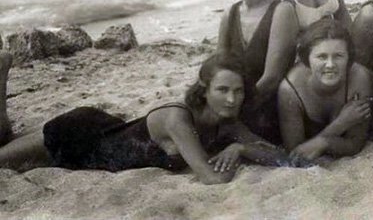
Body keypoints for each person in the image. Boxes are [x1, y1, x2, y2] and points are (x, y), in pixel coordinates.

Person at [0, 53, 294, 183]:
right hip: (80, 140)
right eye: (222, 90)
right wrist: (238, 153)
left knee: (8, 142)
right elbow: (210, 178)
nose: (231, 99)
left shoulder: (229, 123)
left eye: (238, 91)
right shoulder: (177, 119)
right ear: (204, 89)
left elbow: (280, 157)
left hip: (110, 130)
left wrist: (240, 148)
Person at [212, 0, 298, 145]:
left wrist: (231, 111)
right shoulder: (229, 14)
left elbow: (271, 78)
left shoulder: (282, 10)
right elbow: (219, 70)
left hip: (267, 108)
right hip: (234, 103)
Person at [277, 18, 372, 161]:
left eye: (338, 56)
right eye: (321, 57)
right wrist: (341, 123)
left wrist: (322, 142)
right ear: (307, 59)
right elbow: (296, 155)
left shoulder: (359, 77)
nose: (330, 64)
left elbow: (355, 144)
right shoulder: (290, 90)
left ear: (349, 58)